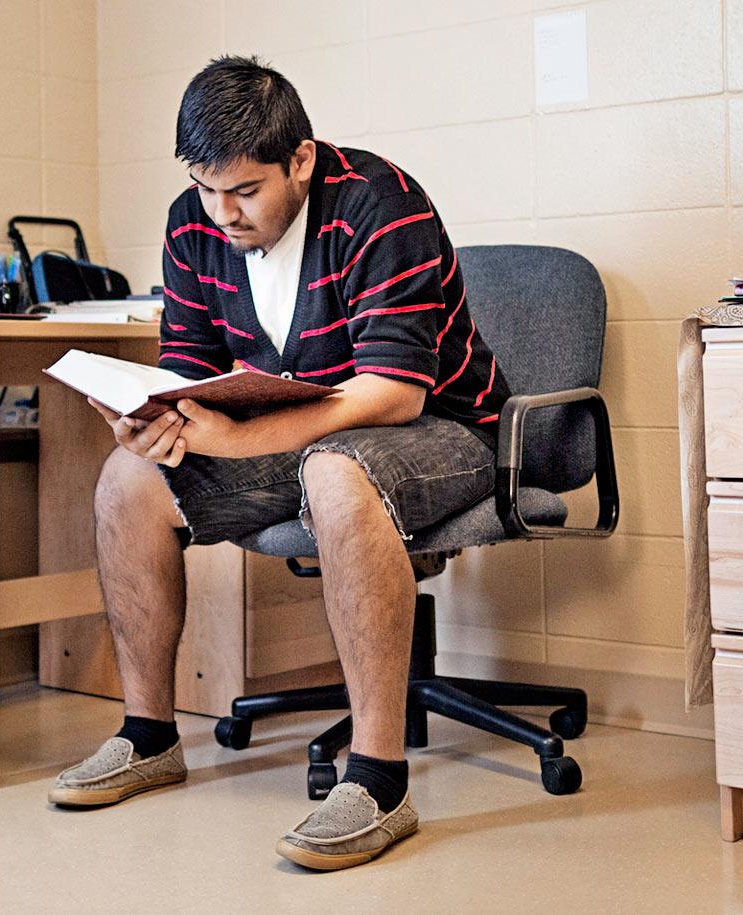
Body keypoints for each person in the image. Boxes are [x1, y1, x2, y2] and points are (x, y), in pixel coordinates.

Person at [46, 56, 511, 872]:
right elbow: (188, 365)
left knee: (336, 468)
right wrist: (154, 420)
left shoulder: (378, 202)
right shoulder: (194, 223)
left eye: (245, 191)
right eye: (204, 186)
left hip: (447, 427)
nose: (222, 213)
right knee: (129, 481)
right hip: (304, 428)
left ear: (300, 160)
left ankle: (378, 780)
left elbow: (394, 393)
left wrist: (231, 440)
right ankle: (150, 735)